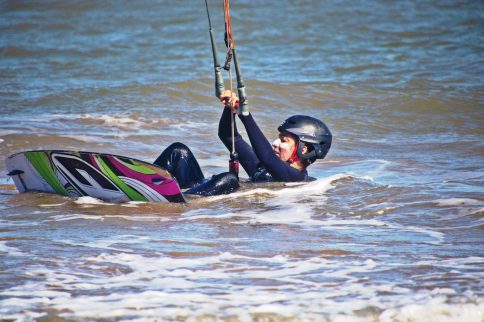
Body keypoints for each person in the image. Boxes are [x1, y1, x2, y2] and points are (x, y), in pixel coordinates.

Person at [153, 90, 332, 196]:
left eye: (283, 140)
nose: (275, 143)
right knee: (179, 151)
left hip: (196, 197)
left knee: (230, 179)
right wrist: (230, 109)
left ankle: (176, 199)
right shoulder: (261, 169)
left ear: (305, 148)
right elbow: (229, 136)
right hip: (200, 188)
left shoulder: (298, 180)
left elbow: (268, 157)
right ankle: (144, 184)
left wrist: (244, 113)